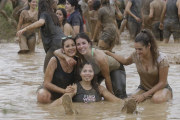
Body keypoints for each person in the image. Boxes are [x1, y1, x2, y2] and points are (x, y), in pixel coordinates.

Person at [104, 29, 173, 103]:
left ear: (149, 45)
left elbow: (162, 83)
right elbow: (124, 61)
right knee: (130, 101)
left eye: (140, 49)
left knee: (157, 99)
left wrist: (144, 96)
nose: (137, 52)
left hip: (161, 88)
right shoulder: (136, 55)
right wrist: (108, 53)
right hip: (144, 88)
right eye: (136, 49)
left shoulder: (161, 58)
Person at [54, 33, 127, 99]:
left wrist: (109, 97)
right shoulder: (79, 53)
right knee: (88, 89)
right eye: (78, 44)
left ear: (89, 44)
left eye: (83, 43)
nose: (81, 46)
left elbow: (107, 78)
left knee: (119, 93)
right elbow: (56, 51)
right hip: (98, 72)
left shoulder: (99, 57)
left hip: (115, 69)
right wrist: (66, 57)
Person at [49, 61, 136, 115]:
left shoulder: (99, 88)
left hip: (96, 114)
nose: (87, 73)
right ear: (80, 73)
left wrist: (126, 103)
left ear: (94, 74)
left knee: (115, 112)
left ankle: (126, 110)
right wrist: (48, 108)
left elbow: (115, 100)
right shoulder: (75, 87)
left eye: (90, 71)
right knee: (74, 112)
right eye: (85, 71)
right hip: (81, 114)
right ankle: (71, 112)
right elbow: (62, 100)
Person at [16, 0, 65, 73]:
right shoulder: (53, 15)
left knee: (46, 70)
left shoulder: (44, 14)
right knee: (58, 67)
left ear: (40, 6)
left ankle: (45, 83)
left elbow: (41, 22)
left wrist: (24, 29)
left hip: (55, 44)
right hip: (64, 42)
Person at [37, 36, 80, 103]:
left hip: (67, 91)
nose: (71, 48)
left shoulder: (78, 61)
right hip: (49, 90)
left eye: (73, 45)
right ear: (62, 50)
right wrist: (64, 91)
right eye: (67, 46)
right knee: (43, 96)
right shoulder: (55, 60)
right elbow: (46, 83)